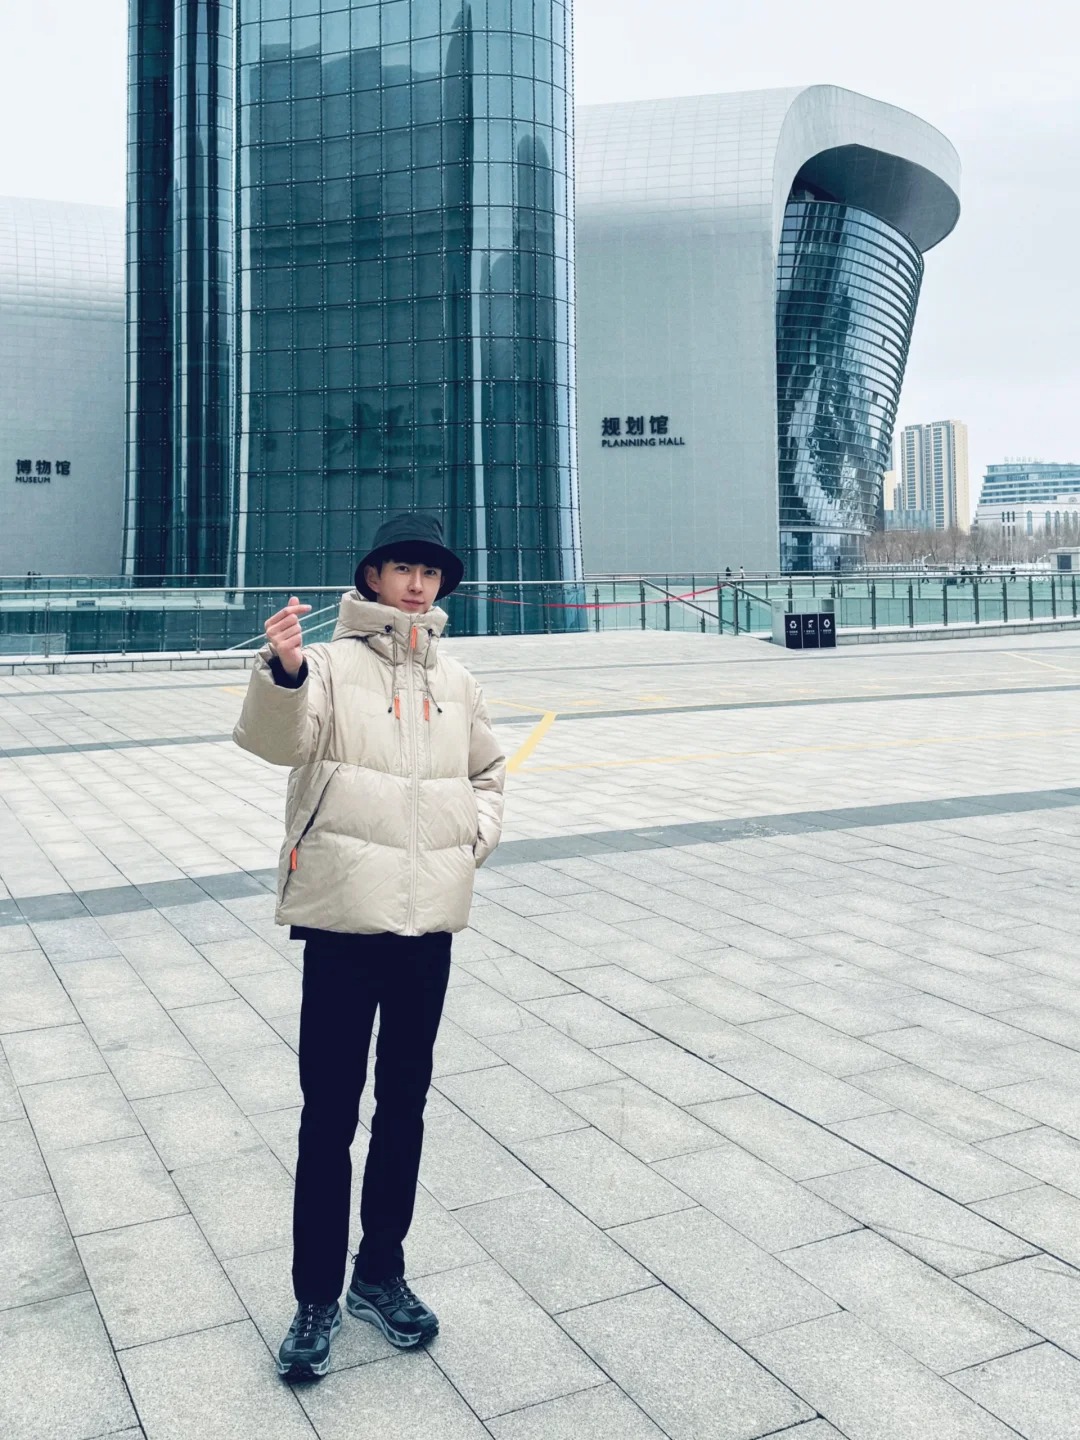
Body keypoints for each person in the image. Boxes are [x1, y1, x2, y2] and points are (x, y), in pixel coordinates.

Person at [233, 513, 506, 1382]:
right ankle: (315, 1294)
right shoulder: (326, 666)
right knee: (327, 1115)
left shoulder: (456, 680)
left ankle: (380, 1273)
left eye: (430, 572)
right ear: (373, 578)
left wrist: (470, 839)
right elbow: (278, 741)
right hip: (344, 923)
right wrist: (281, 670)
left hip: (427, 928)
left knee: (404, 1108)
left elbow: (488, 773)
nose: (418, 585)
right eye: (402, 569)